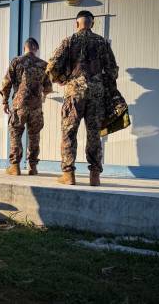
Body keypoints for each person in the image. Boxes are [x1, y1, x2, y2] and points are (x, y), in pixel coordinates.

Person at [46, 10, 119, 186]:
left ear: (76, 23)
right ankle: (95, 176)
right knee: (94, 134)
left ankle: (68, 175)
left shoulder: (70, 40)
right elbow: (112, 71)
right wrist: (104, 86)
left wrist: (62, 79)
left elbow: (52, 66)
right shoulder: (102, 42)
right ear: (92, 24)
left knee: (69, 132)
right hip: (96, 93)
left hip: (74, 92)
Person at [0, 37, 52, 176]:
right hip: (36, 107)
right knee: (34, 136)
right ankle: (32, 167)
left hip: (19, 106)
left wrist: (5, 101)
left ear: (25, 48)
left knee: (16, 134)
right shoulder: (44, 65)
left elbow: (7, 83)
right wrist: (42, 95)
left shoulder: (17, 61)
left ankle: (15, 166)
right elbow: (48, 87)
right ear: (36, 49)